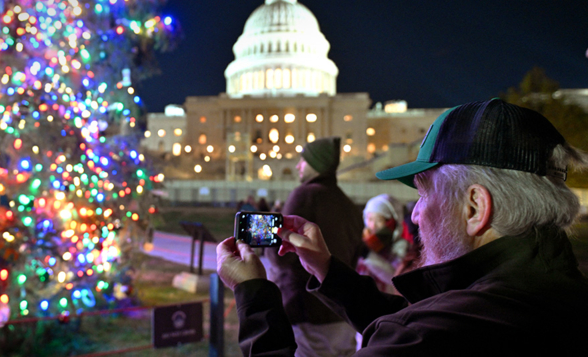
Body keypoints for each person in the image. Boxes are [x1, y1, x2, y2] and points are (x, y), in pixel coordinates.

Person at [217, 99, 588, 355]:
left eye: (424, 195)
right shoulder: (555, 295)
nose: (414, 214)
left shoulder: (436, 336)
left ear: (475, 207)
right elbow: (413, 321)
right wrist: (328, 270)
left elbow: (420, 332)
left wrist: (254, 293)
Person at [262, 137, 363, 357]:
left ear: (316, 164)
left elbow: (281, 256)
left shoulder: (305, 195)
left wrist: (268, 238)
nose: (298, 166)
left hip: (306, 311)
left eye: (303, 160)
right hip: (343, 315)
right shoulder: (348, 205)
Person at [356, 194, 408, 294]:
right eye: (370, 219)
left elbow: (395, 278)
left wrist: (368, 256)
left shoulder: (401, 247)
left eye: (379, 220)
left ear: (392, 222)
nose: (372, 225)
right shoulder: (363, 243)